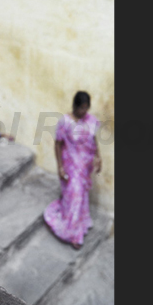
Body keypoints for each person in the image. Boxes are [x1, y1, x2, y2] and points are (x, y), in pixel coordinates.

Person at [43, 91, 102, 250]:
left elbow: (93, 139)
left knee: (80, 195)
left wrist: (98, 157)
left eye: (87, 108)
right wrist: (60, 166)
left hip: (85, 166)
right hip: (70, 164)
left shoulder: (90, 120)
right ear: (75, 106)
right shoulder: (65, 122)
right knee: (75, 195)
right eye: (82, 108)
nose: (84, 111)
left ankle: (78, 225)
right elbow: (58, 144)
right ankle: (72, 234)